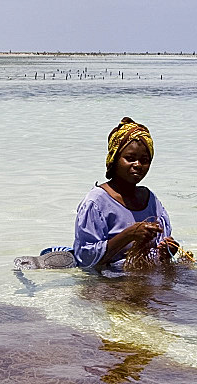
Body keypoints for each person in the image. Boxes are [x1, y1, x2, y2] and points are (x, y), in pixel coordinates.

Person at [73, 116, 178, 272]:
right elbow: (85, 259)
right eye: (130, 158)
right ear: (114, 158)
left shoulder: (151, 200)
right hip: (112, 280)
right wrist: (128, 235)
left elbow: (160, 246)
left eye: (144, 160)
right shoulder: (96, 202)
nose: (138, 165)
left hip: (145, 274)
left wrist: (167, 250)